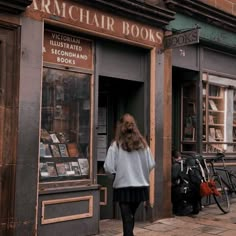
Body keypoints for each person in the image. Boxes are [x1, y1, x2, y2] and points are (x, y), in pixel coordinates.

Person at [104, 113, 155, 236]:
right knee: (130, 216)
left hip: (123, 185)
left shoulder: (116, 145)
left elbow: (108, 167)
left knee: (127, 217)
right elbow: (151, 164)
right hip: (140, 186)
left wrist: (115, 175)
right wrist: (140, 173)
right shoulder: (143, 145)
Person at [171, 150, 201, 216]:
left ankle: (179, 209)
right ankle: (194, 207)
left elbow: (173, 177)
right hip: (195, 190)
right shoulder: (188, 164)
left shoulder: (176, 165)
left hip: (184, 191)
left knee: (173, 189)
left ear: (173, 158)